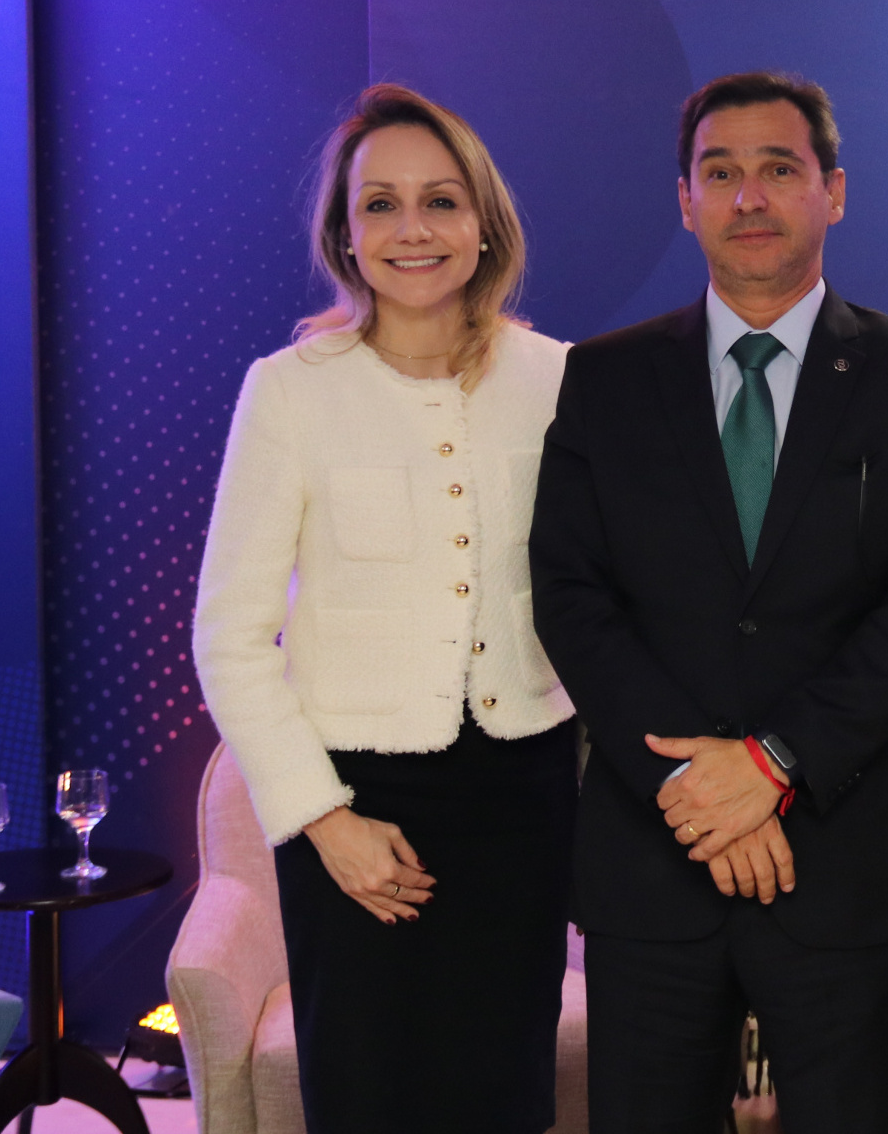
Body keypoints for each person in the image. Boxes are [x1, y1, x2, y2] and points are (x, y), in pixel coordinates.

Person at [529, 71, 888, 1132]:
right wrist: (697, 785)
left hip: (848, 861)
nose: (749, 197)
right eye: (720, 172)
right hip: (657, 860)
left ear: (834, 191)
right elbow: (573, 596)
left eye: (779, 168)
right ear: (684, 200)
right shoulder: (605, 379)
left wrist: (775, 762)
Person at [192, 84, 575, 1134]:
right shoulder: (289, 388)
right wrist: (324, 820)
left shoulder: (558, 378)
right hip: (354, 807)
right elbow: (228, 636)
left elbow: (599, 593)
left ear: (484, 224)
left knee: (504, 1098)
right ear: (345, 236)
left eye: (441, 200)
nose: (414, 229)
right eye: (381, 205)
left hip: (524, 799)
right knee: (369, 1096)